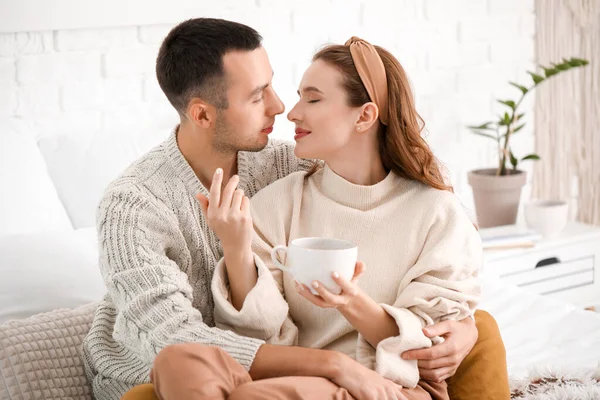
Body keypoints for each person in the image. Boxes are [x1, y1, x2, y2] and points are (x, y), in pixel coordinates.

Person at [81, 18, 509, 400]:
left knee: (484, 328)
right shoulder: (132, 206)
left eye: (273, 84)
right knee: (170, 371)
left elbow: (400, 186)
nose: (282, 107)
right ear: (203, 114)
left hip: (296, 373)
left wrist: (462, 326)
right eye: (256, 96)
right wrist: (336, 366)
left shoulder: (292, 161)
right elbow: (173, 340)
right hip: (171, 374)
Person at [166, 36, 480, 400]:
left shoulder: (436, 212)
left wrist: (351, 302)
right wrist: (236, 252)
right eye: (299, 96)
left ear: (364, 115)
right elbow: (259, 340)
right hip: (300, 377)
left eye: (312, 99)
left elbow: (424, 352)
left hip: (390, 386)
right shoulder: (277, 203)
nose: (292, 112)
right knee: (178, 362)